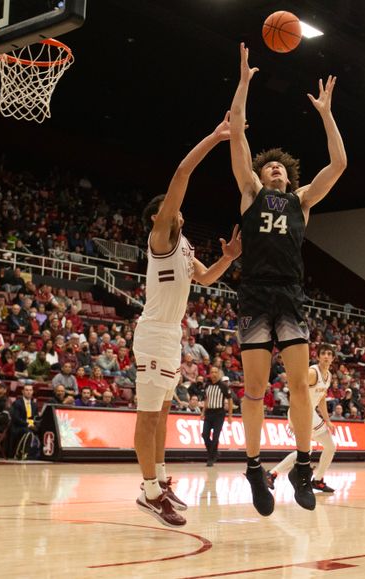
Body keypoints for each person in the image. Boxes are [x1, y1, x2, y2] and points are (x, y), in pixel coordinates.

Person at [230, 43, 346, 515]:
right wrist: (243, 83)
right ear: (259, 172)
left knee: (300, 386)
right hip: (255, 293)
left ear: (288, 173)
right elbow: (236, 132)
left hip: (291, 295)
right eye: (268, 164)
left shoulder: (301, 200)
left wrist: (326, 115)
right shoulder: (251, 192)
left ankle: (302, 465)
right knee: (255, 389)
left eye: (280, 165)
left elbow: (338, 164)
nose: (274, 167)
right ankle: (255, 468)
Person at [133, 113, 242, 529]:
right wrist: (215, 136)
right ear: (158, 217)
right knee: (148, 417)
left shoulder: (184, 247)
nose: (176, 208)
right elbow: (181, 172)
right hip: (153, 333)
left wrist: (228, 259)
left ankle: (160, 480)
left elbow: (207, 277)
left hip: (171, 336)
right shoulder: (160, 237)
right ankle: (148, 492)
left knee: (160, 414)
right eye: (168, 207)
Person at [266, 343, 338, 493]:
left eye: (329, 354)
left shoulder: (329, 376)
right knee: (325, 447)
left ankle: (272, 474)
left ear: (333, 358)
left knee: (310, 450)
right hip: (300, 412)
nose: (326, 356)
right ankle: (317, 480)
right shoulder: (312, 373)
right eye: (323, 353)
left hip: (309, 413)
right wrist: (292, 419)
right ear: (318, 357)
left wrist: (328, 420)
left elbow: (322, 399)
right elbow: (295, 393)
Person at [200, 367, 233, 467]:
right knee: (205, 434)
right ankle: (214, 453)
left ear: (218, 374)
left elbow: (230, 400)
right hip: (209, 413)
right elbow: (206, 399)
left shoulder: (223, 386)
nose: (213, 374)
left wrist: (230, 415)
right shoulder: (207, 385)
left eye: (215, 372)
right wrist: (203, 412)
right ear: (209, 374)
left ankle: (211, 458)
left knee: (215, 436)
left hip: (219, 413)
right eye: (212, 372)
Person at [10, 384, 39, 454]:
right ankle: (23, 453)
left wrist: (36, 425)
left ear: (32, 392)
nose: (29, 392)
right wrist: (28, 424)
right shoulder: (17, 403)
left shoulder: (34, 405)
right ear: (23, 392)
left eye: (30, 390)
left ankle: (37, 454)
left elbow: (36, 417)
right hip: (19, 426)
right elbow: (16, 418)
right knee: (28, 431)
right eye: (26, 390)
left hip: (31, 426)